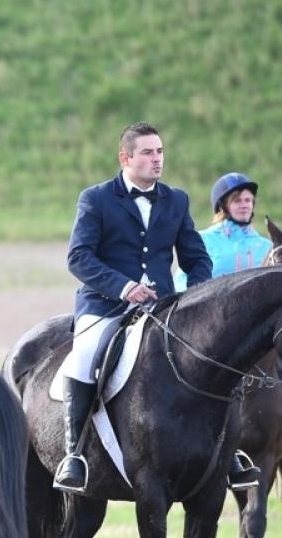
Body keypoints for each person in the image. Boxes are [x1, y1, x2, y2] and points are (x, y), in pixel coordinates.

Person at [55, 123, 223, 494]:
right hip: (104, 306)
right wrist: (123, 287)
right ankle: (74, 455)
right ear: (125, 157)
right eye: (148, 152)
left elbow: (197, 260)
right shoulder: (95, 199)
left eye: (160, 151)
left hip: (164, 307)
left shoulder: (176, 200)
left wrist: (195, 299)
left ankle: (228, 450)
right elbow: (78, 257)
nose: (157, 159)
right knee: (84, 356)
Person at [203, 172, 282, 457]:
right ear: (222, 205)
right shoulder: (203, 241)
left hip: (256, 331)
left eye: (249, 200)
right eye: (238, 200)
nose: (246, 204)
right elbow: (185, 283)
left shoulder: (265, 247)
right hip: (215, 326)